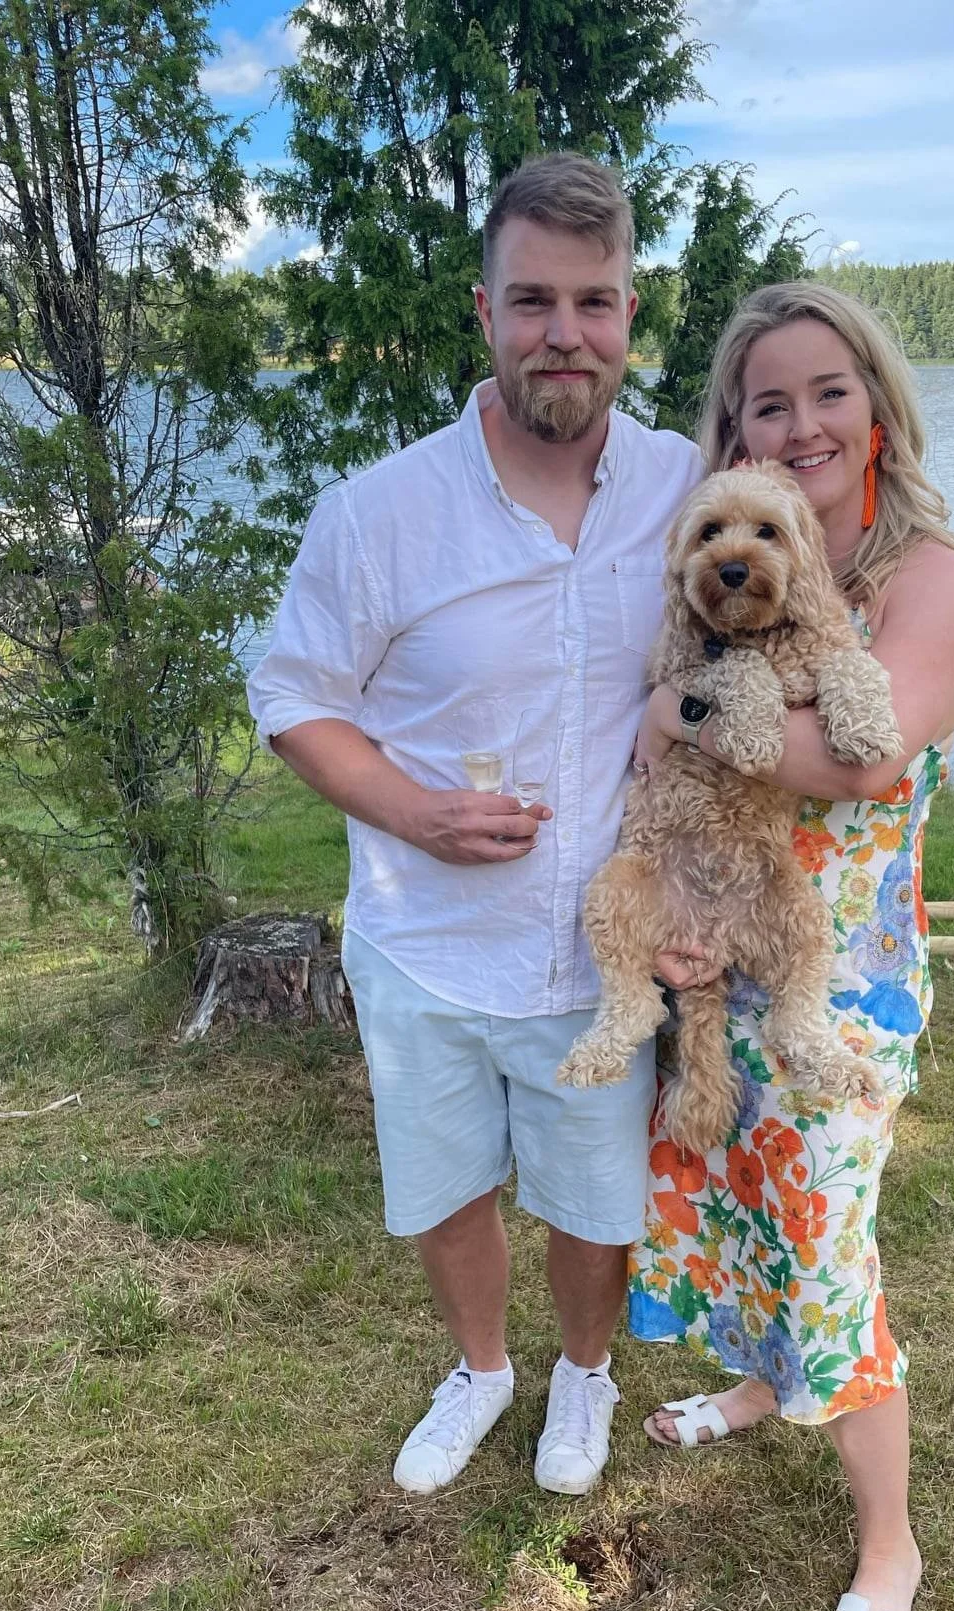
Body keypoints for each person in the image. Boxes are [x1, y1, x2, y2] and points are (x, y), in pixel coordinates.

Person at [246, 154, 704, 1500]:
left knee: (594, 1200)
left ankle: (585, 1375)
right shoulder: (379, 513)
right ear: (485, 311)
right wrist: (416, 814)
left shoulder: (683, 484)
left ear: (630, 314)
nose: (565, 334)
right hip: (427, 942)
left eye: (594, 302)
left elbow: (800, 573)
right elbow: (292, 696)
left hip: (601, 958)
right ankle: (483, 1369)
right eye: (533, 301)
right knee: (447, 1192)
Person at [626, 282, 954, 1611]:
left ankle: (890, 1547)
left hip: (845, 992)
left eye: (829, 390)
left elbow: (862, 759)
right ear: (737, 436)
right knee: (736, 1202)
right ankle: (759, 1381)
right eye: (767, 403)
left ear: (876, 408)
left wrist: (675, 709)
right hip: (718, 953)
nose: (803, 422)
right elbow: (681, 763)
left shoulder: (926, 579)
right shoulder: (730, 573)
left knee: (832, 1252)